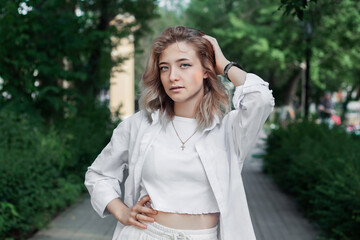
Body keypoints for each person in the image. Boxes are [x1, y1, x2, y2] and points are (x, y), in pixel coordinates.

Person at [84, 26, 274, 240]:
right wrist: (121, 211)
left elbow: (261, 99)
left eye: (184, 65)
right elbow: (98, 174)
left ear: (206, 70)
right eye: (164, 68)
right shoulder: (140, 125)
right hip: (147, 234)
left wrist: (225, 65)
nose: (172, 76)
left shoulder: (229, 130)